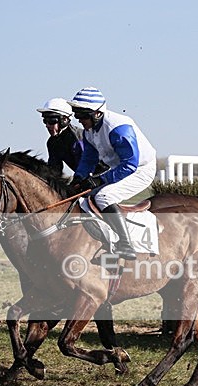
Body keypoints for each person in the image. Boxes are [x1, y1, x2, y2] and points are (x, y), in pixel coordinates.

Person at [67, 87, 157, 260]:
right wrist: (77, 179)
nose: (79, 120)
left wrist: (100, 180)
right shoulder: (89, 131)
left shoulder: (118, 128)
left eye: (83, 115)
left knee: (103, 197)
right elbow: (88, 158)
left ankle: (126, 244)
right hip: (120, 168)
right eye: (77, 115)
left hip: (140, 169)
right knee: (84, 196)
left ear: (97, 114)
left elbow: (130, 164)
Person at [36, 98, 84, 179]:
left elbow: (86, 165)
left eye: (51, 121)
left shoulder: (76, 138)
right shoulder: (52, 142)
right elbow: (54, 171)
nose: (47, 125)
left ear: (64, 120)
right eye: (45, 121)